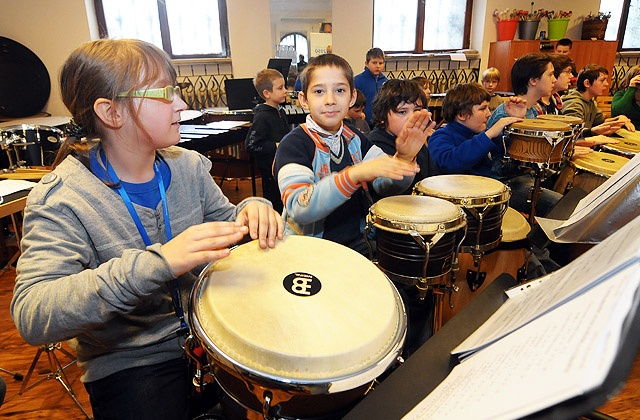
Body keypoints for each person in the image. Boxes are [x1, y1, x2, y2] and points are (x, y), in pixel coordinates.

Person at [10, 39, 283, 420]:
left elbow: (228, 220)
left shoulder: (188, 165)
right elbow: (33, 312)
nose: (182, 104)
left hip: (211, 335)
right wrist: (159, 263)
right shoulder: (60, 198)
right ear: (110, 112)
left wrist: (252, 208)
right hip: (132, 361)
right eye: (164, 93)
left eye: (177, 90)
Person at [274, 54, 430, 256]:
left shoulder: (356, 138)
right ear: (304, 100)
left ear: (352, 97)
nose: (330, 100)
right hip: (310, 250)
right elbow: (299, 207)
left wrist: (403, 159)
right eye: (319, 91)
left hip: (356, 242)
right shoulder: (294, 144)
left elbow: (385, 186)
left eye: (339, 90)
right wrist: (353, 174)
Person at [485, 53, 563, 217]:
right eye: (550, 75)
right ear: (533, 80)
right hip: (506, 181)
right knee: (560, 206)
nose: (554, 80)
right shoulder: (505, 114)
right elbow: (504, 163)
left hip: (524, 175)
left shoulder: (533, 109)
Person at [429, 83, 522, 177]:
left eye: (488, 108)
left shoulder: (478, 133)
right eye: (482, 109)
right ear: (462, 115)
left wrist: (517, 123)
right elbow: (449, 163)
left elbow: (511, 152)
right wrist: (488, 135)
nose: (489, 114)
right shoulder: (440, 136)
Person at [369, 78, 439, 193]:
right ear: (382, 117)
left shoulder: (416, 140)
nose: (412, 117)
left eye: (417, 110)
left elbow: (432, 178)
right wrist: (405, 158)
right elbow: (387, 188)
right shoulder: (375, 144)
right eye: (402, 112)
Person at [245, 68, 290, 213]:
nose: (285, 91)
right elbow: (251, 146)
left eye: (285, 86)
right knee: (276, 207)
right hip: (270, 174)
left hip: (282, 168)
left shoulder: (280, 112)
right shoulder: (262, 116)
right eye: (280, 88)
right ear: (267, 93)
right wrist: (277, 145)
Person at [562, 64, 634, 138]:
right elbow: (573, 133)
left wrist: (619, 119)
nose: (606, 84)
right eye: (602, 80)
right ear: (587, 83)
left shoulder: (590, 101)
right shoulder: (574, 104)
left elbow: (600, 122)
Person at [354, 47, 388, 127]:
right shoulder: (357, 80)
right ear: (366, 63)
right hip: (363, 122)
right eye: (374, 63)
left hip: (381, 122)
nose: (378, 66)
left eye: (380, 63)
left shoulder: (386, 81)